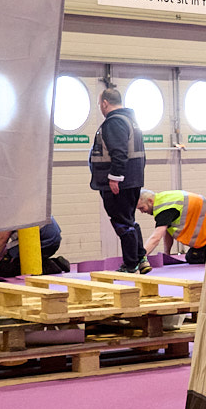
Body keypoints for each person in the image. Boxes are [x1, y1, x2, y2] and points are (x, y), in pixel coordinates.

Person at [89, 85, 149, 274]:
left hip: (119, 183)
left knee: (121, 222)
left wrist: (114, 178)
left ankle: (130, 264)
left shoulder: (114, 122)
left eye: (99, 104)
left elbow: (119, 152)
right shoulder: (131, 121)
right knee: (128, 220)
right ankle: (141, 259)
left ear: (105, 103)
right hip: (132, 179)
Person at [0, 221, 66, 278]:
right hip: (51, 237)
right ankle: (49, 262)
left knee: (2, 269)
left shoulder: (12, 208)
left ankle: (52, 265)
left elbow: (2, 238)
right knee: (3, 258)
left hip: (44, 239)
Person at [139, 189, 206, 264]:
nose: (142, 212)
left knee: (193, 257)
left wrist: (141, 258)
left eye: (142, 208)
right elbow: (167, 231)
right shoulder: (164, 200)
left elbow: (156, 238)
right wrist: (167, 254)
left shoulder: (164, 209)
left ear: (150, 201)